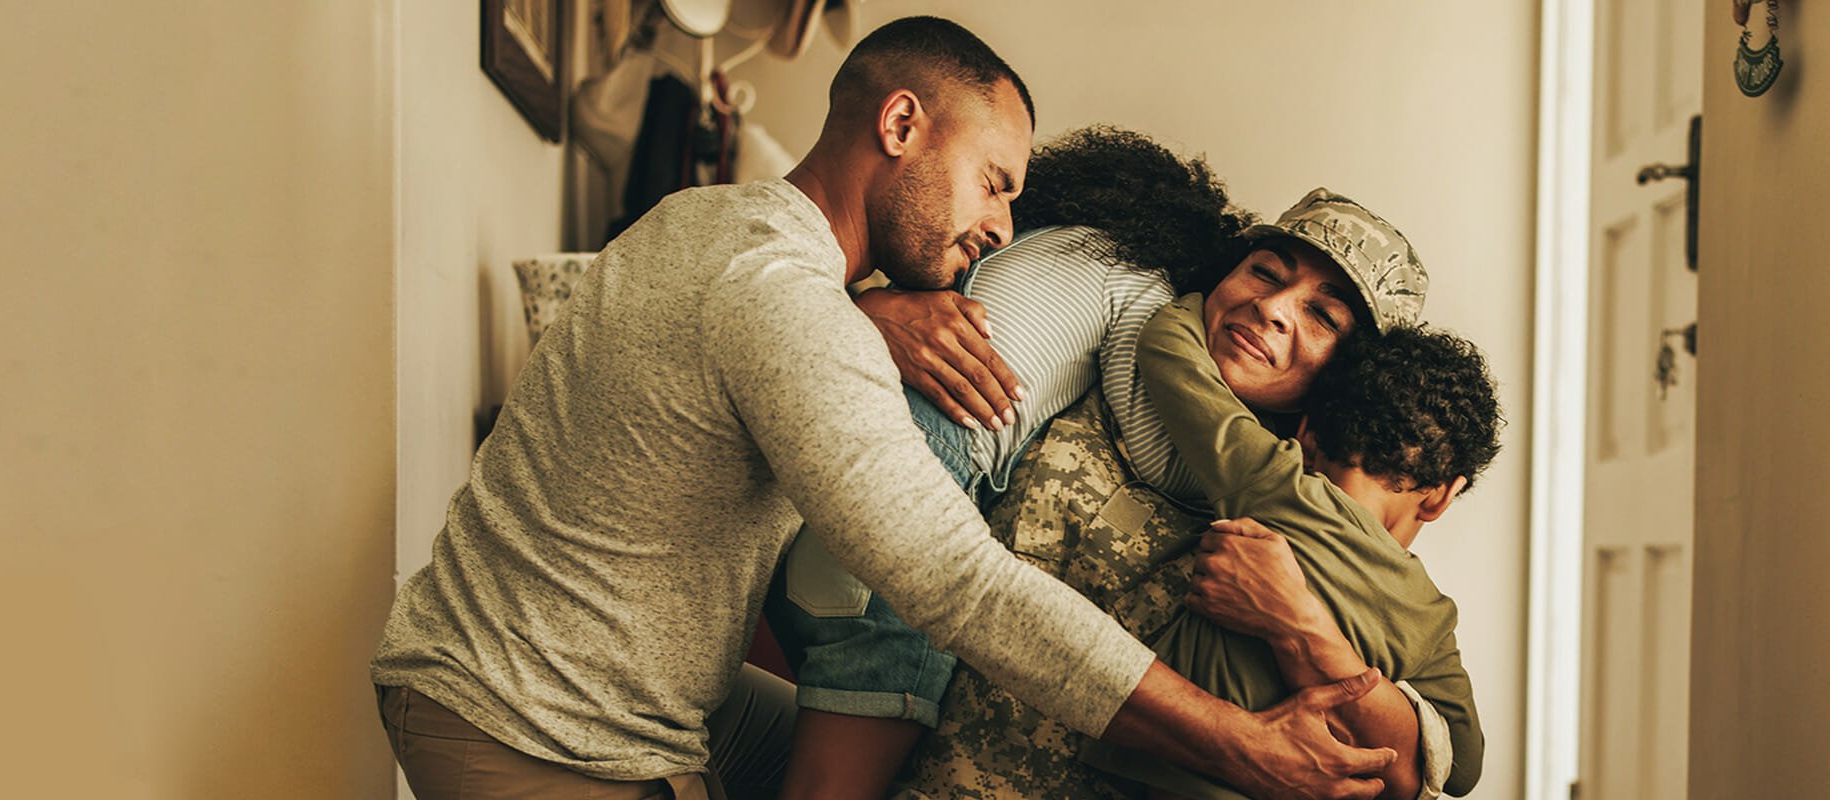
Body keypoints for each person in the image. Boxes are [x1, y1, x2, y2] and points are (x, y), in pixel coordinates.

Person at [370, 17, 1391, 800]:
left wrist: (867, 309)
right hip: (524, 715)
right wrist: (1240, 742)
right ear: (900, 124)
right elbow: (959, 583)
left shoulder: (724, 226)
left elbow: (764, 333)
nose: (1000, 227)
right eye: (992, 184)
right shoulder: (784, 305)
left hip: (604, 680)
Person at [773, 135, 1472, 798]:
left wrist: (1298, 621)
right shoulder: (1110, 351)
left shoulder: (1312, 537)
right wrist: (868, 310)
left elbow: (1427, 762)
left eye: (1323, 317)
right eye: (1263, 272)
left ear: (1349, 379)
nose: (1272, 308)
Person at [1071, 297, 1503, 800]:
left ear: (1306, 435)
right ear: (1442, 495)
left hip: (1161, 770)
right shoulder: (1430, 616)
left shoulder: (1276, 484)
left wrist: (1194, 292)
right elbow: (1463, 766)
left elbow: (1168, 350)